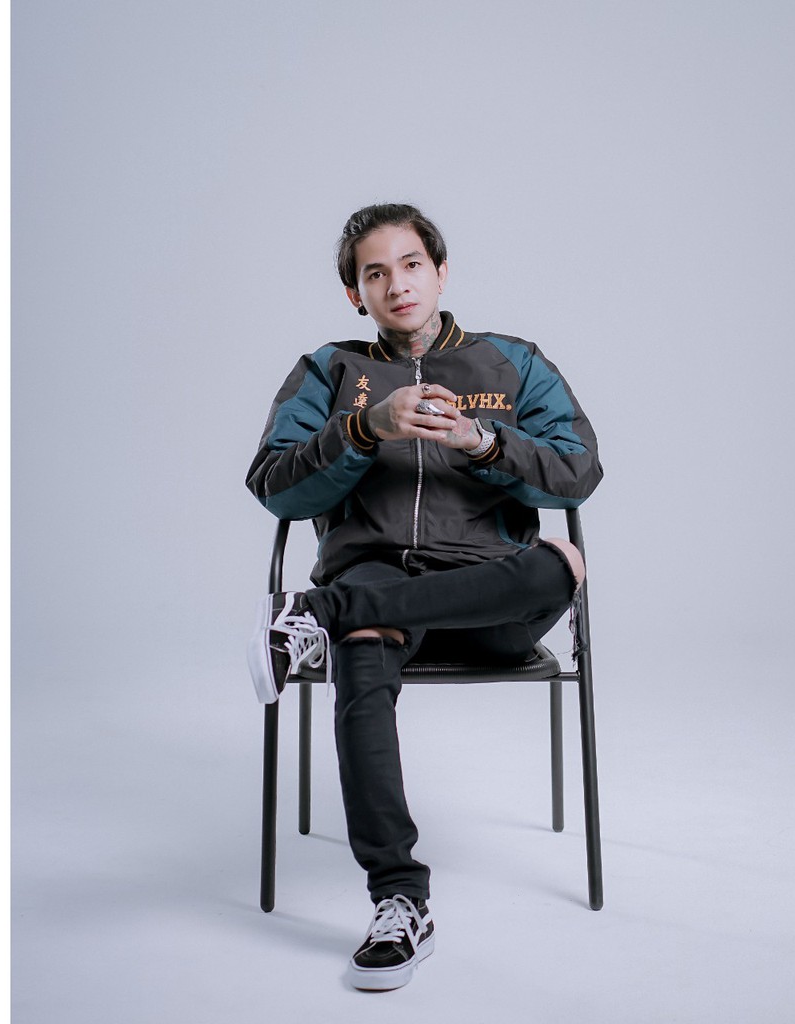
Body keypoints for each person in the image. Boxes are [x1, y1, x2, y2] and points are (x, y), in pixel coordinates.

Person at [245, 203, 603, 990]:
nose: (397, 284)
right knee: (364, 650)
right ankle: (399, 901)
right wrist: (362, 429)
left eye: (411, 264)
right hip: (376, 576)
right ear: (356, 294)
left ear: (441, 272)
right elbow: (274, 486)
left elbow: (579, 472)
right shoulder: (328, 372)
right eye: (375, 273)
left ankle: (320, 615)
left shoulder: (513, 363)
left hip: (487, 596)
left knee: (557, 565)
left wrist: (484, 442)